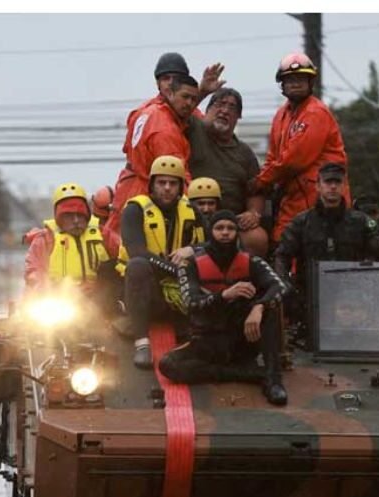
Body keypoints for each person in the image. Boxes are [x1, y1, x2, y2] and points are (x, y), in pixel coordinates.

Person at [159, 210, 288, 405]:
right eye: (220, 228)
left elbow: (279, 286)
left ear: (237, 233)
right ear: (211, 232)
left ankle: (272, 380)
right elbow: (190, 302)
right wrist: (224, 295)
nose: (225, 232)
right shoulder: (190, 265)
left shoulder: (252, 261)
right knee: (168, 365)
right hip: (207, 340)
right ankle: (246, 375)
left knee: (271, 308)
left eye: (230, 228)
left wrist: (259, 306)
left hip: (242, 339)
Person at [251, 53, 350, 243]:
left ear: (310, 82)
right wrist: (263, 181)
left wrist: (261, 182)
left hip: (322, 197)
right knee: (283, 243)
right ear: (282, 84)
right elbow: (273, 157)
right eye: (290, 79)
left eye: (301, 79)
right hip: (292, 196)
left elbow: (294, 160)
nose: (296, 83)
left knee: (319, 251)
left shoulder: (316, 112)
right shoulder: (281, 115)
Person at [117, 155, 205, 368]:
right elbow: (136, 251)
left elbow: (213, 244)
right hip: (144, 288)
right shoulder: (134, 210)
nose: (167, 188)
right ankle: (142, 343)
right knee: (137, 265)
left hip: (180, 290)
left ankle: (197, 336)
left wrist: (191, 249)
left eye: (173, 183)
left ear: (181, 187)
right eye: (161, 183)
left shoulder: (192, 211)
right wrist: (177, 270)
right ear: (152, 185)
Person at [102, 74, 202, 254]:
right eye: (185, 97)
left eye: (194, 99)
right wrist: (197, 211)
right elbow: (176, 175)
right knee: (142, 252)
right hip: (146, 191)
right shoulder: (165, 131)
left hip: (128, 185)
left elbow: (126, 147)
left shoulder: (146, 110)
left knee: (118, 245)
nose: (190, 104)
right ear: (170, 94)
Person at [273, 162, 379, 306]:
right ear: (318, 186)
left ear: (344, 186)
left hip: (355, 299)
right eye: (328, 182)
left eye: (337, 182)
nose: (333, 186)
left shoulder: (360, 222)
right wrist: (284, 284)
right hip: (311, 300)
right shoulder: (301, 222)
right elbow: (282, 255)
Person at [187, 87, 267, 250]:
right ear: (207, 110)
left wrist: (253, 213)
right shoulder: (193, 130)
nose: (224, 111)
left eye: (232, 108)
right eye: (219, 104)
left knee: (257, 238)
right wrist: (203, 90)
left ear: (238, 117)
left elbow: (256, 190)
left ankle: (244, 275)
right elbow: (180, 111)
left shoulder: (245, 153)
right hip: (192, 216)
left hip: (230, 222)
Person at [23, 182, 118, 313]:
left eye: (80, 214)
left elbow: (124, 259)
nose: (75, 220)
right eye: (68, 216)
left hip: (101, 303)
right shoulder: (45, 239)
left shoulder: (104, 235)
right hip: (59, 305)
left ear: (87, 215)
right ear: (58, 218)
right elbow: (34, 271)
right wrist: (44, 290)